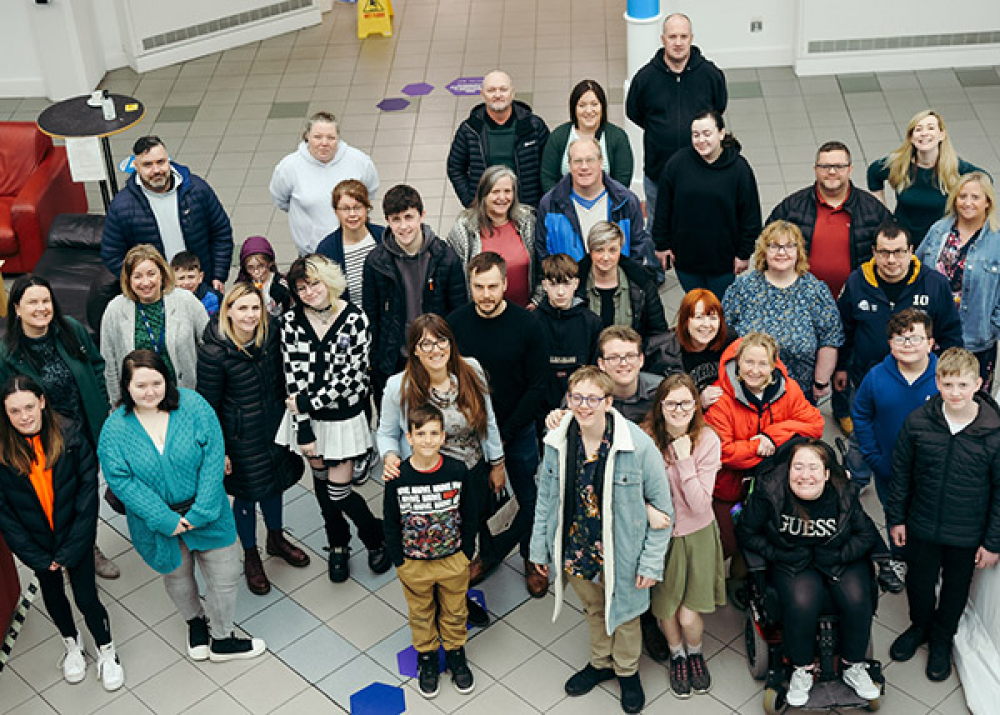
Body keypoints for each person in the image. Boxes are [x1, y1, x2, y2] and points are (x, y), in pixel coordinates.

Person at [99, 350, 266, 662]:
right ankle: (195, 622)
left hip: (208, 511)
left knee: (225, 575)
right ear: (126, 387)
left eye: (157, 383)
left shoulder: (193, 406)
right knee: (177, 577)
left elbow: (214, 455)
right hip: (158, 523)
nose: (150, 392)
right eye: (140, 386)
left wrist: (201, 510)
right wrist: (164, 519)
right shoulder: (115, 429)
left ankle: (222, 636)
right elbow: (121, 481)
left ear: (168, 380)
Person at [530, 366, 673, 714]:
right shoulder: (558, 441)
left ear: (608, 401)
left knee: (624, 616)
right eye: (576, 397)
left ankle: (626, 672)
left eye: (593, 398)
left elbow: (663, 513)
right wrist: (539, 548)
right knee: (594, 610)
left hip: (622, 553)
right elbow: (547, 498)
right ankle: (600, 663)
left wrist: (651, 563)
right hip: (577, 547)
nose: (584, 405)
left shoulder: (637, 445)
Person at [377, 313, 503, 628]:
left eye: (441, 340)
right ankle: (430, 605)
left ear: (451, 342)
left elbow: (487, 420)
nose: (435, 349)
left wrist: (497, 462)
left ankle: (456, 599)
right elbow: (385, 432)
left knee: (465, 541)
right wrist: (391, 456)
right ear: (414, 351)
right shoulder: (398, 387)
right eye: (425, 344)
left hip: (470, 474)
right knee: (430, 545)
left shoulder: (471, 370)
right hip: (426, 483)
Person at [736, 439, 884, 707]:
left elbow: (867, 535)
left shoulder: (844, 494)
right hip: (792, 559)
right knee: (803, 603)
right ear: (788, 470)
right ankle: (801, 669)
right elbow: (746, 532)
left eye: (813, 468)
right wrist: (780, 554)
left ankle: (854, 666)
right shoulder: (770, 493)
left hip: (838, 558)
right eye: (798, 467)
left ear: (827, 474)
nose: (805, 476)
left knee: (857, 600)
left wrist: (840, 555)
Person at [0, 376, 124, 691]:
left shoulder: (72, 437)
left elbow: (86, 498)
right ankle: (72, 644)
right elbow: (6, 516)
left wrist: (72, 548)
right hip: (38, 546)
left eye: (29, 406)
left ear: (42, 402)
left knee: (86, 598)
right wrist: (35, 556)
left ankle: (106, 649)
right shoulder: (3, 453)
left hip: (74, 540)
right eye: (14, 411)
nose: (24, 416)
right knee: (54, 598)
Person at [888, 347, 1000, 682]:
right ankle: (920, 626)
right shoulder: (919, 421)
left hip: (967, 533)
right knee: (918, 582)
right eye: (948, 384)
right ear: (937, 382)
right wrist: (896, 518)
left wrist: (993, 542)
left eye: (963, 385)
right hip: (921, 524)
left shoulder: (995, 434)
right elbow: (901, 474)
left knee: (955, 588)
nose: (955, 393)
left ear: (979, 384)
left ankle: (941, 638)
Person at [277, 255, 389, 583]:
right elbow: (293, 375)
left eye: (314, 283)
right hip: (309, 423)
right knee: (323, 485)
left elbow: (351, 377)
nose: (310, 292)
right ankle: (337, 544)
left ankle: (374, 534)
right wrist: (304, 426)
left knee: (338, 492)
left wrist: (307, 402)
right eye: (302, 288)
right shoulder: (289, 322)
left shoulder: (355, 319)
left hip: (344, 419)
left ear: (329, 281)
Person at [0, 275, 120, 579]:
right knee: (58, 498)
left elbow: (96, 365)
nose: (42, 308)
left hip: (86, 431)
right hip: (47, 442)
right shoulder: (7, 354)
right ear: (16, 308)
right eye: (32, 303)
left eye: (46, 301)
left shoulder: (72, 330)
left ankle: (88, 548)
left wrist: (100, 401)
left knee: (86, 493)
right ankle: (66, 552)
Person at [197, 283, 309, 596]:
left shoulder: (271, 333)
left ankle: (276, 538)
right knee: (247, 496)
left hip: (275, 427)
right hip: (240, 437)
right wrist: (220, 452)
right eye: (242, 308)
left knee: (274, 485)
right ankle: (250, 554)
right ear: (227, 311)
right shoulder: (214, 351)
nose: (250, 315)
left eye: (255, 308)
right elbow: (208, 406)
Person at [448, 253, 548, 596]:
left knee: (527, 494)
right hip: (470, 435)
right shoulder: (456, 325)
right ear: (470, 286)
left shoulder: (528, 325)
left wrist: (502, 437)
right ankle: (488, 554)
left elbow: (539, 385)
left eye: (493, 286)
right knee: (481, 499)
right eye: (479, 287)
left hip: (516, 432)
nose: (487, 294)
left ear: (506, 284)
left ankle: (532, 556)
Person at [704, 332, 825, 563]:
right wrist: (758, 446)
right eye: (749, 362)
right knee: (727, 545)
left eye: (763, 363)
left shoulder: (789, 390)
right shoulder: (721, 399)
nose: (755, 370)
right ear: (739, 362)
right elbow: (724, 452)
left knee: (768, 542)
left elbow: (815, 424)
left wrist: (772, 437)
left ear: (773, 365)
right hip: (730, 488)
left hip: (774, 486)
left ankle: (750, 584)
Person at [383, 404, 476, 699]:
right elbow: (390, 520)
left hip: (453, 559)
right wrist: (399, 560)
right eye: (420, 433)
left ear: (443, 437)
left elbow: (470, 513)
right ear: (408, 438)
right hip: (414, 563)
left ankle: (455, 651)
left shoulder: (457, 470)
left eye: (433, 433)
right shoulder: (398, 476)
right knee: (421, 612)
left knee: (455, 608)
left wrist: (466, 552)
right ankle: (427, 657)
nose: (427, 439)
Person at [835, 221, 962, 437]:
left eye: (899, 252)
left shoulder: (934, 284)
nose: (891, 260)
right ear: (873, 252)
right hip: (866, 379)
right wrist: (841, 367)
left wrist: (945, 375)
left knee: (916, 437)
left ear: (911, 251)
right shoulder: (857, 282)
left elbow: (951, 334)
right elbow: (843, 330)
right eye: (884, 252)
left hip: (919, 383)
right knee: (864, 437)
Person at [641, 373, 725, 699]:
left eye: (686, 403)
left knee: (689, 615)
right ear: (660, 404)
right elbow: (636, 487)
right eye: (671, 403)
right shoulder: (646, 438)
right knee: (665, 610)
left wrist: (685, 457)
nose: (678, 410)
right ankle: (677, 655)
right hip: (660, 538)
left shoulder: (708, 440)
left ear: (696, 405)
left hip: (697, 536)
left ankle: (695, 652)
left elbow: (701, 503)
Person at [852, 308, 938, 594]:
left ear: (930, 343)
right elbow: (861, 414)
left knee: (929, 516)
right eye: (899, 339)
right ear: (889, 343)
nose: (908, 345)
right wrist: (873, 456)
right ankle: (898, 558)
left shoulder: (943, 378)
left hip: (934, 472)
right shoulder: (876, 377)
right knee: (894, 512)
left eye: (915, 338)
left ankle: (928, 563)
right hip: (890, 468)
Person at [362, 184, 468, 402]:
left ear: (422, 216)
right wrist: (375, 358)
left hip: (436, 357)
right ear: (387, 221)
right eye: (395, 219)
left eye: (409, 217)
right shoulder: (376, 262)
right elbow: (370, 315)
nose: (403, 226)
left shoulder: (445, 258)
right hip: (394, 359)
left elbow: (458, 313)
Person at [723, 220, 844, 402]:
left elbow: (830, 337)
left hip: (797, 393)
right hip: (747, 390)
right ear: (764, 251)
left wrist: (821, 382)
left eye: (789, 246)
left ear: (798, 252)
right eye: (774, 246)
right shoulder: (743, 288)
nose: (782, 252)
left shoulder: (815, 291)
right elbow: (724, 332)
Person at [626, 12, 727, 223]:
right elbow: (634, 112)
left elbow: (719, 108)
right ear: (663, 40)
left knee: (701, 226)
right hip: (659, 175)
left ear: (691, 38)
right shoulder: (645, 79)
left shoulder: (710, 75)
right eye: (672, 37)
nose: (678, 43)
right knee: (657, 230)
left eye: (683, 36)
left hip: (703, 172)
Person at [102, 135, 232, 294]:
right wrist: (144, 284)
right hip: (156, 294)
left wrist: (219, 275)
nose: (156, 170)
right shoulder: (122, 207)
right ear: (136, 166)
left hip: (201, 288)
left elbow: (221, 233)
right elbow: (112, 254)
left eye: (161, 162)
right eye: (147, 165)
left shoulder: (197, 190)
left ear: (168, 160)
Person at [652, 110, 761, 297]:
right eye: (696, 135)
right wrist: (662, 244)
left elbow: (750, 215)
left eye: (707, 134)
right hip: (686, 259)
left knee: (718, 308)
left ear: (721, 133)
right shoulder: (677, 164)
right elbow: (663, 207)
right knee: (695, 305)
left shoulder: (739, 169)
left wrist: (744, 253)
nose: (701, 140)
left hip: (723, 262)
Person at [767, 141, 892, 299]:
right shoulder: (792, 207)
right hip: (800, 301)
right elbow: (766, 246)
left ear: (850, 169)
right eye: (825, 167)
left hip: (857, 301)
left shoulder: (873, 211)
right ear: (815, 169)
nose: (832, 171)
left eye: (839, 166)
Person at [916, 172, 1000, 388]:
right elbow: (915, 270)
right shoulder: (938, 231)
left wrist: (992, 327)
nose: (968, 203)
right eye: (962, 196)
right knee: (931, 395)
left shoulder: (996, 241)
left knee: (972, 399)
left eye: (975, 197)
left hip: (975, 339)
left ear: (988, 202)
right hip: (933, 335)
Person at [100, 245, 209, 405]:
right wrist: (117, 405)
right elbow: (109, 364)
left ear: (162, 274)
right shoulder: (114, 310)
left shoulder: (186, 301)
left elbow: (209, 346)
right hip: (139, 403)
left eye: (151, 274)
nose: (145, 282)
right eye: (137, 276)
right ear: (128, 280)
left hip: (184, 398)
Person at [536, 138, 658, 277]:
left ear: (601, 162)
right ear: (569, 165)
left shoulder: (626, 201)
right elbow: (543, 252)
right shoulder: (550, 203)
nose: (584, 167)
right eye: (577, 161)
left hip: (615, 289)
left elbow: (637, 248)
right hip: (567, 291)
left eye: (590, 160)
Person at [867, 109, 984, 245]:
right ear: (911, 137)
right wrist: (883, 213)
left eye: (930, 128)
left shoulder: (954, 167)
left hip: (940, 242)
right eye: (918, 129)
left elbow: (985, 181)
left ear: (942, 135)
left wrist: (967, 210)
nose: (924, 133)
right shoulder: (899, 164)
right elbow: (874, 172)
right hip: (904, 241)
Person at [270, 111, 379, 256]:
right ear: (307, 136)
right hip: (312, 253)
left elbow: (369, 194)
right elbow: (281, 200)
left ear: (338, 138)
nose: (324, 143)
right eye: (317, 137)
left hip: (356, 249)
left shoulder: (360, 162)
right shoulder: (288, 168)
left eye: (331, 138)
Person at [446, 70, 550, 208]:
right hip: (488, 211)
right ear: (482, 94)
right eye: (491, 90)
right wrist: (472, 202)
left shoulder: (533, 126)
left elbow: (549, 167)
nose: (497, 95)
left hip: (528, 208)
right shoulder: (469, 130)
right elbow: (455, 168)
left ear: (512, 93)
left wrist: (543, 201)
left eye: (503, 89)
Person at [446, 166, 537, 307]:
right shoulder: (464, 228)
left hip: (525, 311)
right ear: (483, 195)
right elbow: (454, 280)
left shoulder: (528, 221)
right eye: (495, 192)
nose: (502, 198)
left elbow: (542, 264)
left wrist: (537, 300)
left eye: (507, 191)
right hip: (483, 314)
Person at [575, 221, 667, 343]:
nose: (606, 257)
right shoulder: (573, 283)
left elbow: (658, 332)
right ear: (590, 250)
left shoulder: (641, 283)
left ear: (621, 249)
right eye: (599, 250)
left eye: (612, 250)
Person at [535, 254, 603, 411]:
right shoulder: (533, 323)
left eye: (566, 284)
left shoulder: (592, 322)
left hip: (581, 404)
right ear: (544, 285)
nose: (560, 292)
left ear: (576, 284)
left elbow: (595, 370)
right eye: (553, 285)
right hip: (541, 405)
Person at [541, 79, 634, 193]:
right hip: (565, 205)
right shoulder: (559, 136)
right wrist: (562, 203)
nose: (589, 111)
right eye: (582, 105)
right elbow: (547, 177)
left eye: (594, 104)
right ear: (574, 108)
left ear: (602, 107)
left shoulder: (618, 137)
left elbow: (622, 179)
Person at [653, 288, 736, 405]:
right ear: (685, 321)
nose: (707, 325)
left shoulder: (729, 340)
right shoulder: (666, 354)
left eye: (713, 318)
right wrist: (696, 401)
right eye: (699, 317)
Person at [316, 179, 385, 305]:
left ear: (367, 208)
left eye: (358, 207)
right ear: (336, 212)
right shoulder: (326, 249)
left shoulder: (384, 237)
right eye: (345, 209)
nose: (352, 214)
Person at [235, 235, 292, 318]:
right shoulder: (244, 284)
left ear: (270, 263)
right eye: (250, 267)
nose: (256, 271)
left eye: (261, 266)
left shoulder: (280, 285)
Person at [170, 251, 222, 316]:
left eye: (191, 277)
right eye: (181, 278)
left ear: (200, 277)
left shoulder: (212, 298)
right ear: (172, 279)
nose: (187, 282)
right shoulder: (169, 300)